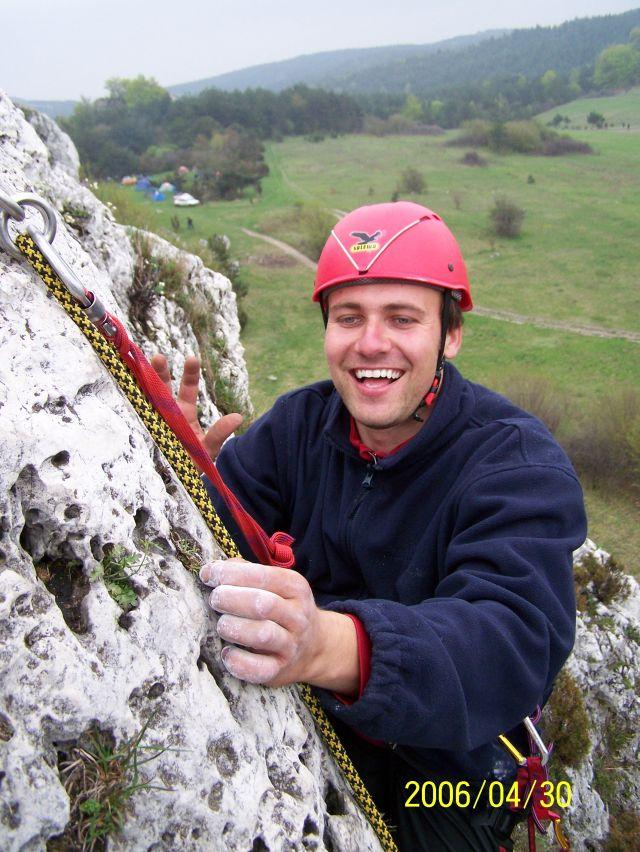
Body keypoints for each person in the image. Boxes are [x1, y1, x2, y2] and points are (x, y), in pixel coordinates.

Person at [152, 201, 586, 850]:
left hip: (450, 769)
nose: (370, 343)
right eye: (348, 317)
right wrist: (185, 482)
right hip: (310, 716)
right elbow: (228, 534)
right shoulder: (298, 427)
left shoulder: (513, 463)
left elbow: (511, 637)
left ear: (452, 334)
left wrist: (328, 644)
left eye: (403, 319)